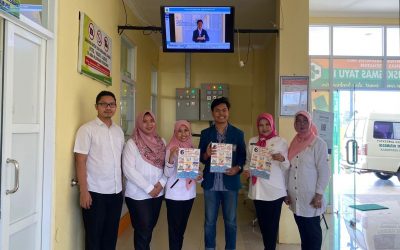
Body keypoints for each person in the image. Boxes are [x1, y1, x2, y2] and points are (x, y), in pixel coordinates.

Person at [73, 90, 125, 250]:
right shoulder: (86, 130)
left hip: (116, 193)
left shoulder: (119, 131)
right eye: (104, 104)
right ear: (97, 107)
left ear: (116, 107)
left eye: (112, 104)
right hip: (95, 193)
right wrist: (84, 191)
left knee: (110, 237)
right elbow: (80, 160)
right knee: (94, 238)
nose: (108, 108)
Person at [198, 97, 246, 250]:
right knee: (209, 221)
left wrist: (237, 168)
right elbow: (201, 158)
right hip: (211, 184)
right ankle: (210, 247)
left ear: (228, 112)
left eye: (224, 110)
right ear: (212, 113)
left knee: (230, 221)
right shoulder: (205, 133)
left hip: (230, 184)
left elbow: (242, 157)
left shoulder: (238, 134)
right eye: (217, 111)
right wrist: (206, 154)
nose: (221, 114)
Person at [243, 113, 289, 250]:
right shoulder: (252, 141)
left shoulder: (281, 141)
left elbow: (287, 166)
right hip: (258, 190)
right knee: (263, 225)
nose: (264, 128)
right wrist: (247, 171)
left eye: (267, 124)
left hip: (275, 191)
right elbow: (248, 162)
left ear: (272, 124)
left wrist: (281, 159)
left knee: (272, 227)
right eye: (261, 125)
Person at [286, 111, 331, 250]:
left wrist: (319, 194)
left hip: (311, 198)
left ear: (310, 122)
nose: (301, 124)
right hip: (296, 198)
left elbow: (324, 171)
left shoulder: (319, 144)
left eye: (304, 121)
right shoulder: (294, 142)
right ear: (294, 124)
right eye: (298, 121)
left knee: (313, 235)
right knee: (304, 235)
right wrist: (286, 192)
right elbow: (289, 169)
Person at [122, 111, 167, 250]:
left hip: (157, 193)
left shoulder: (162, 142)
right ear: (139, 123)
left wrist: (161, 184)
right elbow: (128, 170)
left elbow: (168, 166)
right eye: (145, 121)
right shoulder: (132, 143)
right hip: (137, 194)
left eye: (151, 120)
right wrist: (149, 188)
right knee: (144, 228)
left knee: (149, 227)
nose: (149, 124)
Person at [164, 120, 203, 250]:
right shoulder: (171, 148)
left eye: (186, 130)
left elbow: (195, 172)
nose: (183, 134)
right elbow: (167, 173)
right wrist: (171, 158)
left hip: (189, 195)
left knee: (181, 230)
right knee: (174, 231)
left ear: (189, 132)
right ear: (175, 132)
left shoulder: (191, 148)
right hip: (174, 195)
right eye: (179, 131)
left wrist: (199, 177)